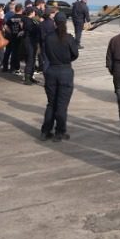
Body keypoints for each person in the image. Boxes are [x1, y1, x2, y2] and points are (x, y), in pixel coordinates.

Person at [40, 11, 79, 142]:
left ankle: (45, 131)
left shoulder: (48, 37)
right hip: (65, 71)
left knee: (51, 103)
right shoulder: (68, 38)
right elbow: (75, 54)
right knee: (61, 105)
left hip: (51, 70)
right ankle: (60, 131)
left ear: (54, 23)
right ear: (65, 23)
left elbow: (45, 53)